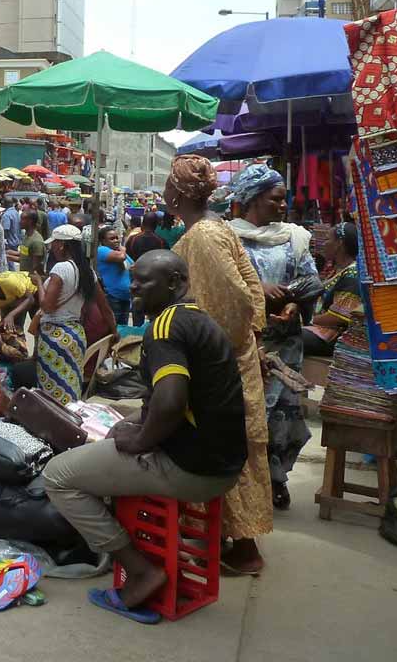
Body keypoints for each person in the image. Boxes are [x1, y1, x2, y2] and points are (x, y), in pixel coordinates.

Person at [45, 251, 246, 624]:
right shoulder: (199, 320)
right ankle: (145, 550)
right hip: (224, 464)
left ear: (174, 283)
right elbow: (177, 401)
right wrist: (133, 422)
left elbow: (170, 403)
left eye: (143, 281)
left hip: (191, 468)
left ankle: (140, 571)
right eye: (133, 278)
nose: (133, 287)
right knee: (112, 436)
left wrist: (138, 441)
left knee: (57, 476)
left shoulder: (164, 328)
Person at [165, 154, 271, 575]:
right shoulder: (214, 228)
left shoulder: (205, 236)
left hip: (223, 366)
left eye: (168, 186)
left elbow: (235, 300)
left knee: (226, 448)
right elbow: (252, 292)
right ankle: (223, 537)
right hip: (230, 358)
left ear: (177, 194)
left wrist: (209, 349)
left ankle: (244, 548)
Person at [229, 164, 320, 511]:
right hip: (247, 345)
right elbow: (218, 284)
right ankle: (243, 484)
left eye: (284, 199)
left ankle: (275, 479)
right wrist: (258, 289)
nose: (283, 205)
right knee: (250, 415)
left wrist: (293, 301)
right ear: (252, 199)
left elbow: (312, 280)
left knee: (283, 415)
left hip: (286, 344)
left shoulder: (293, 237)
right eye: (275, 199)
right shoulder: (228, 238)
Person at [36, 224, 96, 404]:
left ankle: (54, 418)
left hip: (55, 335)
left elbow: (47, 306)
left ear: (61, 244)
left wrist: (38, 282)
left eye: (54, 243)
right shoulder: (87, 271)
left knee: (51, 390)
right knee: (71, 384)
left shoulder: (61, 268)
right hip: (75, 334)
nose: (51, 248)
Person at [302, 222, 361, 357]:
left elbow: (339, 316)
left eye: (328, 239)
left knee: (289, 337)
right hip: (321, 327)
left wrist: (308, 321)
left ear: (339, 243)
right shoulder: (336, 270)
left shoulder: (353, 272)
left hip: (335, 333)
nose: (324, 244)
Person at [96, 227, 132, 325]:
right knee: (113, 326)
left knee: (122, 328)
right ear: (103, 241)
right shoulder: (102, 250)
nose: (116, 240)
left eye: (117, 237)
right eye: (112, 239)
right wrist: (123, 249)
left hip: (125, 297)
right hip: (112, 297)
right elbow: (121, 257)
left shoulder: (118, 251)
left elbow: (133, 265)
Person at [16, 209, 46, 276]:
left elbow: (36, 267)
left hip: (30, 280)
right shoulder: (27, 236)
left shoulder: (36, 241)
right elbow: (24, 257)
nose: (20, 222)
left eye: (22, 219)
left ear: (30, 221)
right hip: (23, 277)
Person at [1, 197, 22, 266]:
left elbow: (5, 229)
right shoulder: (16, 212)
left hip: (9, 242)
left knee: (9, 262)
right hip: (16, 240)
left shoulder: (6, 215)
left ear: (4, 204)